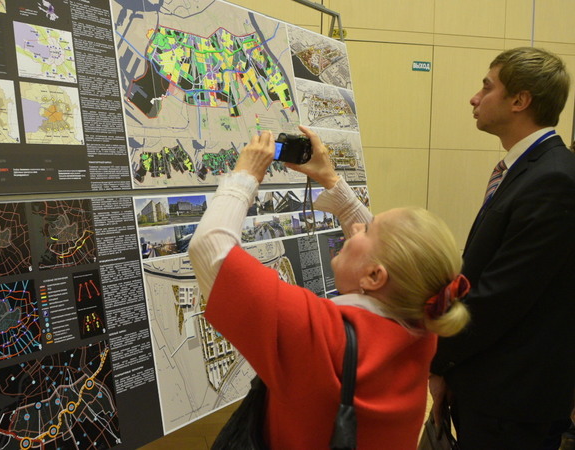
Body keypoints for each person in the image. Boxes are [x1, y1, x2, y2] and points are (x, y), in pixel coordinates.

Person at [189, 126, 470, 449]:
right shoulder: (421, 319)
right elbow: (401, 261)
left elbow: (210, 249)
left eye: (368, 231)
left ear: (374, 277)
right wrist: (330, 179)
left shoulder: (319, 335)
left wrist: (245, 176)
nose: (357, 227)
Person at [429, 47, 575, 450]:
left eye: (487, 86)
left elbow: (500, 297)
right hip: (494, 389)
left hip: (510, 401)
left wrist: (438, 360)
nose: (474, 98)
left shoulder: (552, 179)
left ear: (519, 100)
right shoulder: (529, 170)